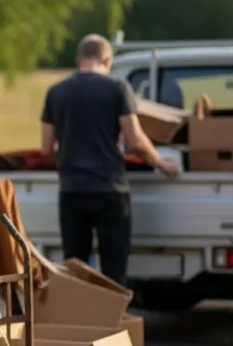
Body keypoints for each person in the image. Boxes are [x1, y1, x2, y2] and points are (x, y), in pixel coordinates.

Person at [39, 34, 179, 287]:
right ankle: (113, 321)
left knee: (75, 269)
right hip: (109, 190)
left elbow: (46, 148)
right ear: (107, 59)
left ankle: (80, 321)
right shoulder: (117, 89)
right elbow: (135, 140)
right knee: (114, 269)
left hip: (72, 190)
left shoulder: (56, 92)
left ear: (78, 59)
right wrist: (162, 163)